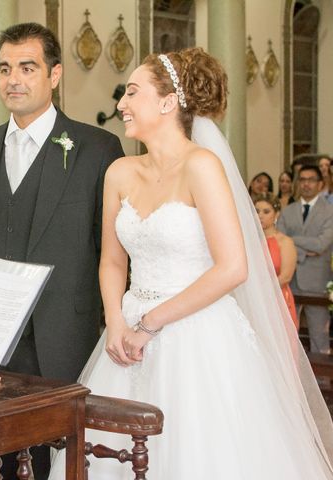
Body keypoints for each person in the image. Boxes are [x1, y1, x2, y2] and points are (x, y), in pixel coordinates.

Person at [49, 48, 333, 479]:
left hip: (199, 334)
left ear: (167, 103)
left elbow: (233, 267)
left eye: (132, 92)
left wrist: (151, 323)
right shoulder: (120, 172)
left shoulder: (202, 166)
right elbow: (110, 261)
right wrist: (116, 322)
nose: (121, 104)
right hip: (127, 334)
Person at [0, 22, 123, 479]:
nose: (13, 79)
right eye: (5, 68)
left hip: (64, 337)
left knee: (61, 460)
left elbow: (111, 249)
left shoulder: (97, 149)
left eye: (27, 67)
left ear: (54, 75)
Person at [277, 165, 333, 354]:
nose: (306, 184)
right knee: (286, 332)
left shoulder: (329, 211)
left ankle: (321, 380)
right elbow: (279, 241)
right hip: (289, 278)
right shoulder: (288, 210)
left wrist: (291, 242)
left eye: (310, 180)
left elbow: (320, 245)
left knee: (319, 333)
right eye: (302, 180)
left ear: (320, 184)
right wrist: (302, 250)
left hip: (317, 281)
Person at [254, 193, 298, 328]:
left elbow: (286, 277)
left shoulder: (285, 242)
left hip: (278, 299)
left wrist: (261, 291)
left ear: (276, 214)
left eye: (266, 212)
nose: (260, 215)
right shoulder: (251, 241)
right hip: (255, 300)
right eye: (256, 211)